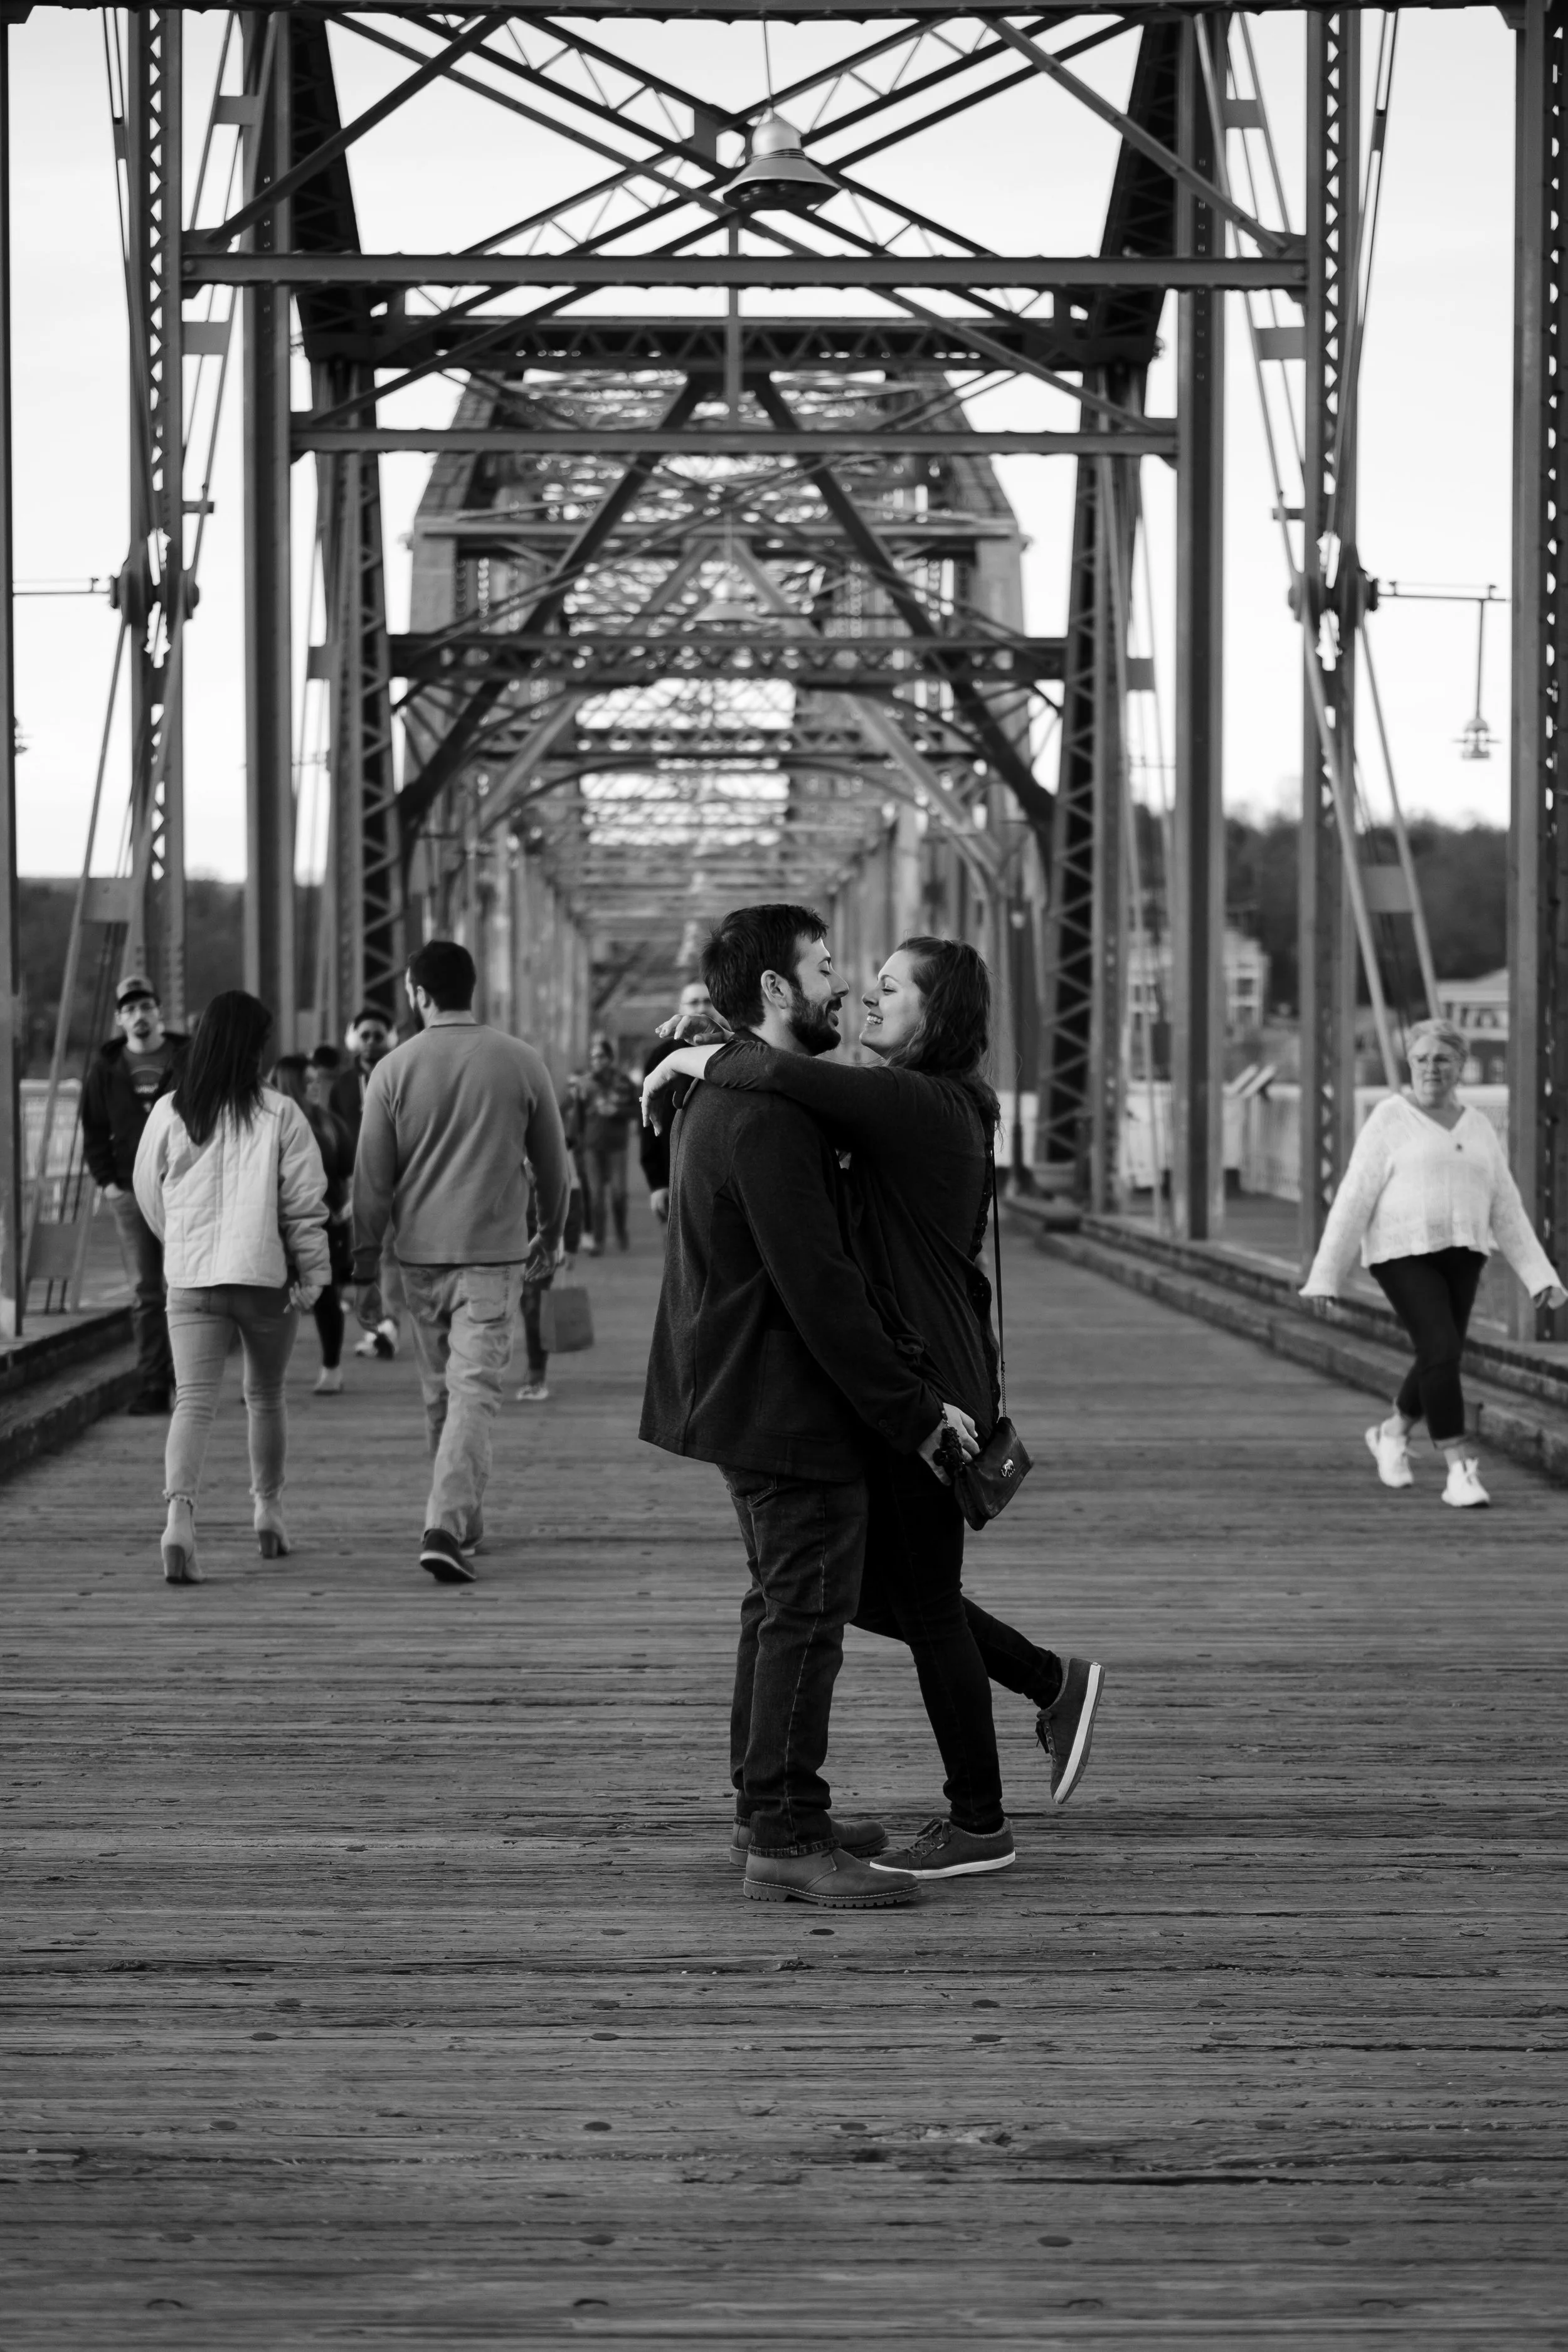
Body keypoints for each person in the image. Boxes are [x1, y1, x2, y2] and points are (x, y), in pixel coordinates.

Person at [647, 935, 1104, 1880]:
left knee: (918, 1601)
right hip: (926, 1372)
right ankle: (1048, 1680)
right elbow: (800, 1088)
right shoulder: (919, 1103)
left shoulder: (922, 1101)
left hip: (935, 1388)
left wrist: (693, 1055)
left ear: (936, 1014)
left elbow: (782, 1074)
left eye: (890, 989)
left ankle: (981, 1819)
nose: (865, 999)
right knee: (851, 1587)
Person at [640, 902, 980, 1913]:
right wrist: (917, 1413)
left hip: (741, 1392)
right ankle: (787, 1833)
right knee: (802, 1614)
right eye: (828, 966)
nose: (847, 983)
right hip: (785, 1404)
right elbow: (821, 1289)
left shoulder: (740, 1091)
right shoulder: (770, 1114)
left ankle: (770, 1805)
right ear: (779, 992)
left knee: (777, 1604)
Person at [352, 939, 571, 1583]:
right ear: (472, 989)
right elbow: (555, 1168)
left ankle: (458, 1522)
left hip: (417, 1258)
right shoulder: (522, 1062)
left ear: (417, 994)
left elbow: (370, 1182)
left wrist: (365, 1268)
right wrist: (551, 1235)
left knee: (438, 1393)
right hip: (493, 1257)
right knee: (471, 1389)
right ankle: (448, 1524)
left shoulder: (390, 1070)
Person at [1302, 1015, 1566, 1507]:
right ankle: (1458, 1467)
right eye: (1421, 1059)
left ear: (1460, 1066)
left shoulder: (1480, 1126)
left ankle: (1392, 1432)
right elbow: (1354, 1197)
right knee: (1442, 1347)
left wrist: (1540, 1277)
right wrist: (1326, 1275)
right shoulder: (1389, 1118)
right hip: (1401, 1253)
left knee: (1437, 1353)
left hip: (1464, 1253)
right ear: (1410, 1063)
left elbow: (1505, 1206)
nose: (1430, 1068)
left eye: (1442, 1059)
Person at [132, 992, 329, 1584]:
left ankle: (179, 1521)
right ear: (256, 1049)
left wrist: (183, 1243)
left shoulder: (170, 1110)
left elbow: (149, 1190)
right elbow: (303, 1206)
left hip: (191, 1280)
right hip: (264, 1278)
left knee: (192, 1399)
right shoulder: (281, 1113)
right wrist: (314, 1273)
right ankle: (267, 1512)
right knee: (264, 1395)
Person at [82, 973, 189, 1414]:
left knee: (186, 1286)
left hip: (185, 1190)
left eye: (145, 1006)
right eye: (129, 1009)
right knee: (147, 1291)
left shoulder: (187, 1058)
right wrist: (108, 1183)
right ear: (118, 1020)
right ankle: (152, 1384)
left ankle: (190, 1384)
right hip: (129, 1192)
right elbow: (93, 1130)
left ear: (159, 1012)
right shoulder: (106, 1071)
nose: (139, 1016)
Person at [272, 1055, 356, 1396]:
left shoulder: (330, 1124)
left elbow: (349, 1174)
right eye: (308, 1081)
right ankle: (266, 1375)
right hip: (275, 1227)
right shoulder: (269, 1125)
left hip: (326, 1225)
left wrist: (349, 1207)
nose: (316, 1085)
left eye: (316, 1079)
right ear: (290, 1084)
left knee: (325, 1298)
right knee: (272, 1301)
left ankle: (332, 1368)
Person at [329, 1011, 403, 1361]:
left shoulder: (402, 1072)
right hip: (357, 1178)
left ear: (390, 1038)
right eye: (366, 1035)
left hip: (398, 1173)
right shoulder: (343, 1084)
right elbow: (335, 1134)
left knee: (388, 1250)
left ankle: (388, 1323)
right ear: (354, 1039)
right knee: (366, 1253)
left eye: (378, 1035)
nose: (372, 1042)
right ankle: (377, 1328)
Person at [640, 980, 712, 1226]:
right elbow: (649, 1120)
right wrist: (657, 1182)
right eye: (694, 1002)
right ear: (679, 1007)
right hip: (675, 1175)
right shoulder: (661, 1058)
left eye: (708, 1001)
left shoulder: (733, 1049)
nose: (702, 1008)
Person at [516, 1163, 585, 1404]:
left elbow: (571, 1188)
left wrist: (571, 1241)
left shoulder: (550, 1133)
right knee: (513, 1306)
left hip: (542, 1235)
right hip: (503, 1234)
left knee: (533, 1305)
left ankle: (536, 1376)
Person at [566, 1034, 640, 1254]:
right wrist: (570, 1141)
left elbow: (638, 1111)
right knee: (596, 1195)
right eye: (593, 1057)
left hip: (617, 1147)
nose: (596, 1061)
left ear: (610, 1058)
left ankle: (621, 1232)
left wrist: (617, 1111)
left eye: (600, 1057)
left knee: (619, 1194)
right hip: (592, 1147)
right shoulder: (585, 1084)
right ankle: (598, 1241)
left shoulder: (624, 1082)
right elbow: (577, 1116)